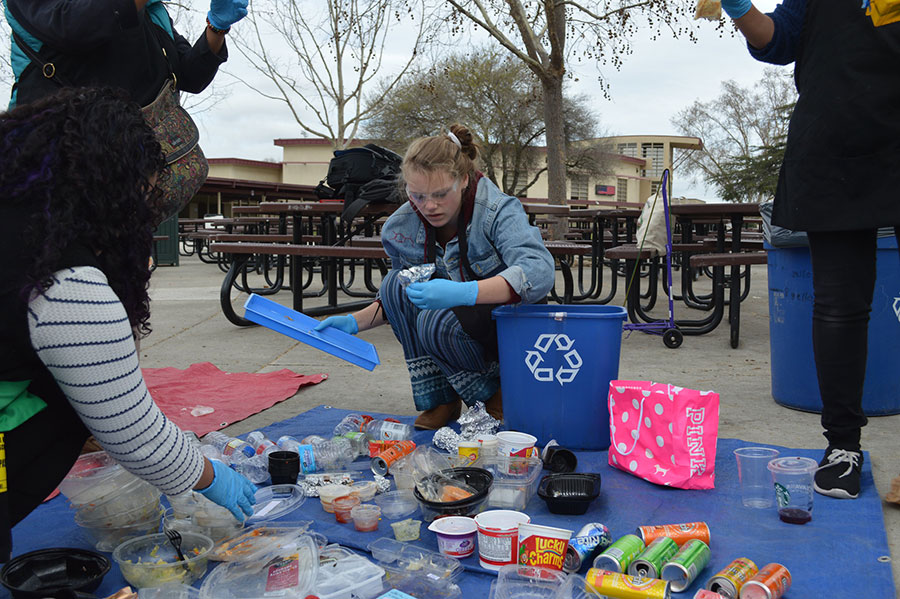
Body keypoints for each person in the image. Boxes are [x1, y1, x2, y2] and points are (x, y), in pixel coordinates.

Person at [0, 87, 256, 562]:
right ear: (112, 185)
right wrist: (209, 475)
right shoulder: (64, 277)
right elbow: (129, 430)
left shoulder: (18, 220)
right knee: (66, 404)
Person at [720, 0, 900, 499]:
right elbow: (776, 39)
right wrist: (739, 6)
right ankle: (843, 446)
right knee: (840, 309)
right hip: (833, 152)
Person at [315, 125, 555, 430]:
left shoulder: (497, 209)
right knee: (395, 285)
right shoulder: (400, 226)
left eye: (441, 194)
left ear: (463, 180)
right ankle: (441, 399)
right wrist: (354, 322)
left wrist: (466, 293)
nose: (429, 206)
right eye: (418, 195)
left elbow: (539, 272)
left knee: (435, 322)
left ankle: (498, 396)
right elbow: (399, 298)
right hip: (459, 323)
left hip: (512, 329)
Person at [3, 0, 247, 109]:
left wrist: (217, 27)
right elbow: (74, 27)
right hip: (50, 170)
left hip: (131, 176)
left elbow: (190, 76)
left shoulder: (151, 10)